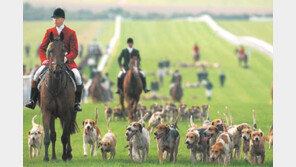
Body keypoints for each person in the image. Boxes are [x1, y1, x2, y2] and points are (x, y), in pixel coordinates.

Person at [25, 8, 83, 112]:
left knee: (78, 77)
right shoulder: (49, 32)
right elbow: (42, 48)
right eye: (54, 19)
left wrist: (66, 58)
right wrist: (44, 60)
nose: (55, 20)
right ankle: (32, 100)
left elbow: (75, 51)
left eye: (57, 18)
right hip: (51, 62)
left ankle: (76, 103)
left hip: (67, 62)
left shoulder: (71, 33)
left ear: (63, 19)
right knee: (37, 74)